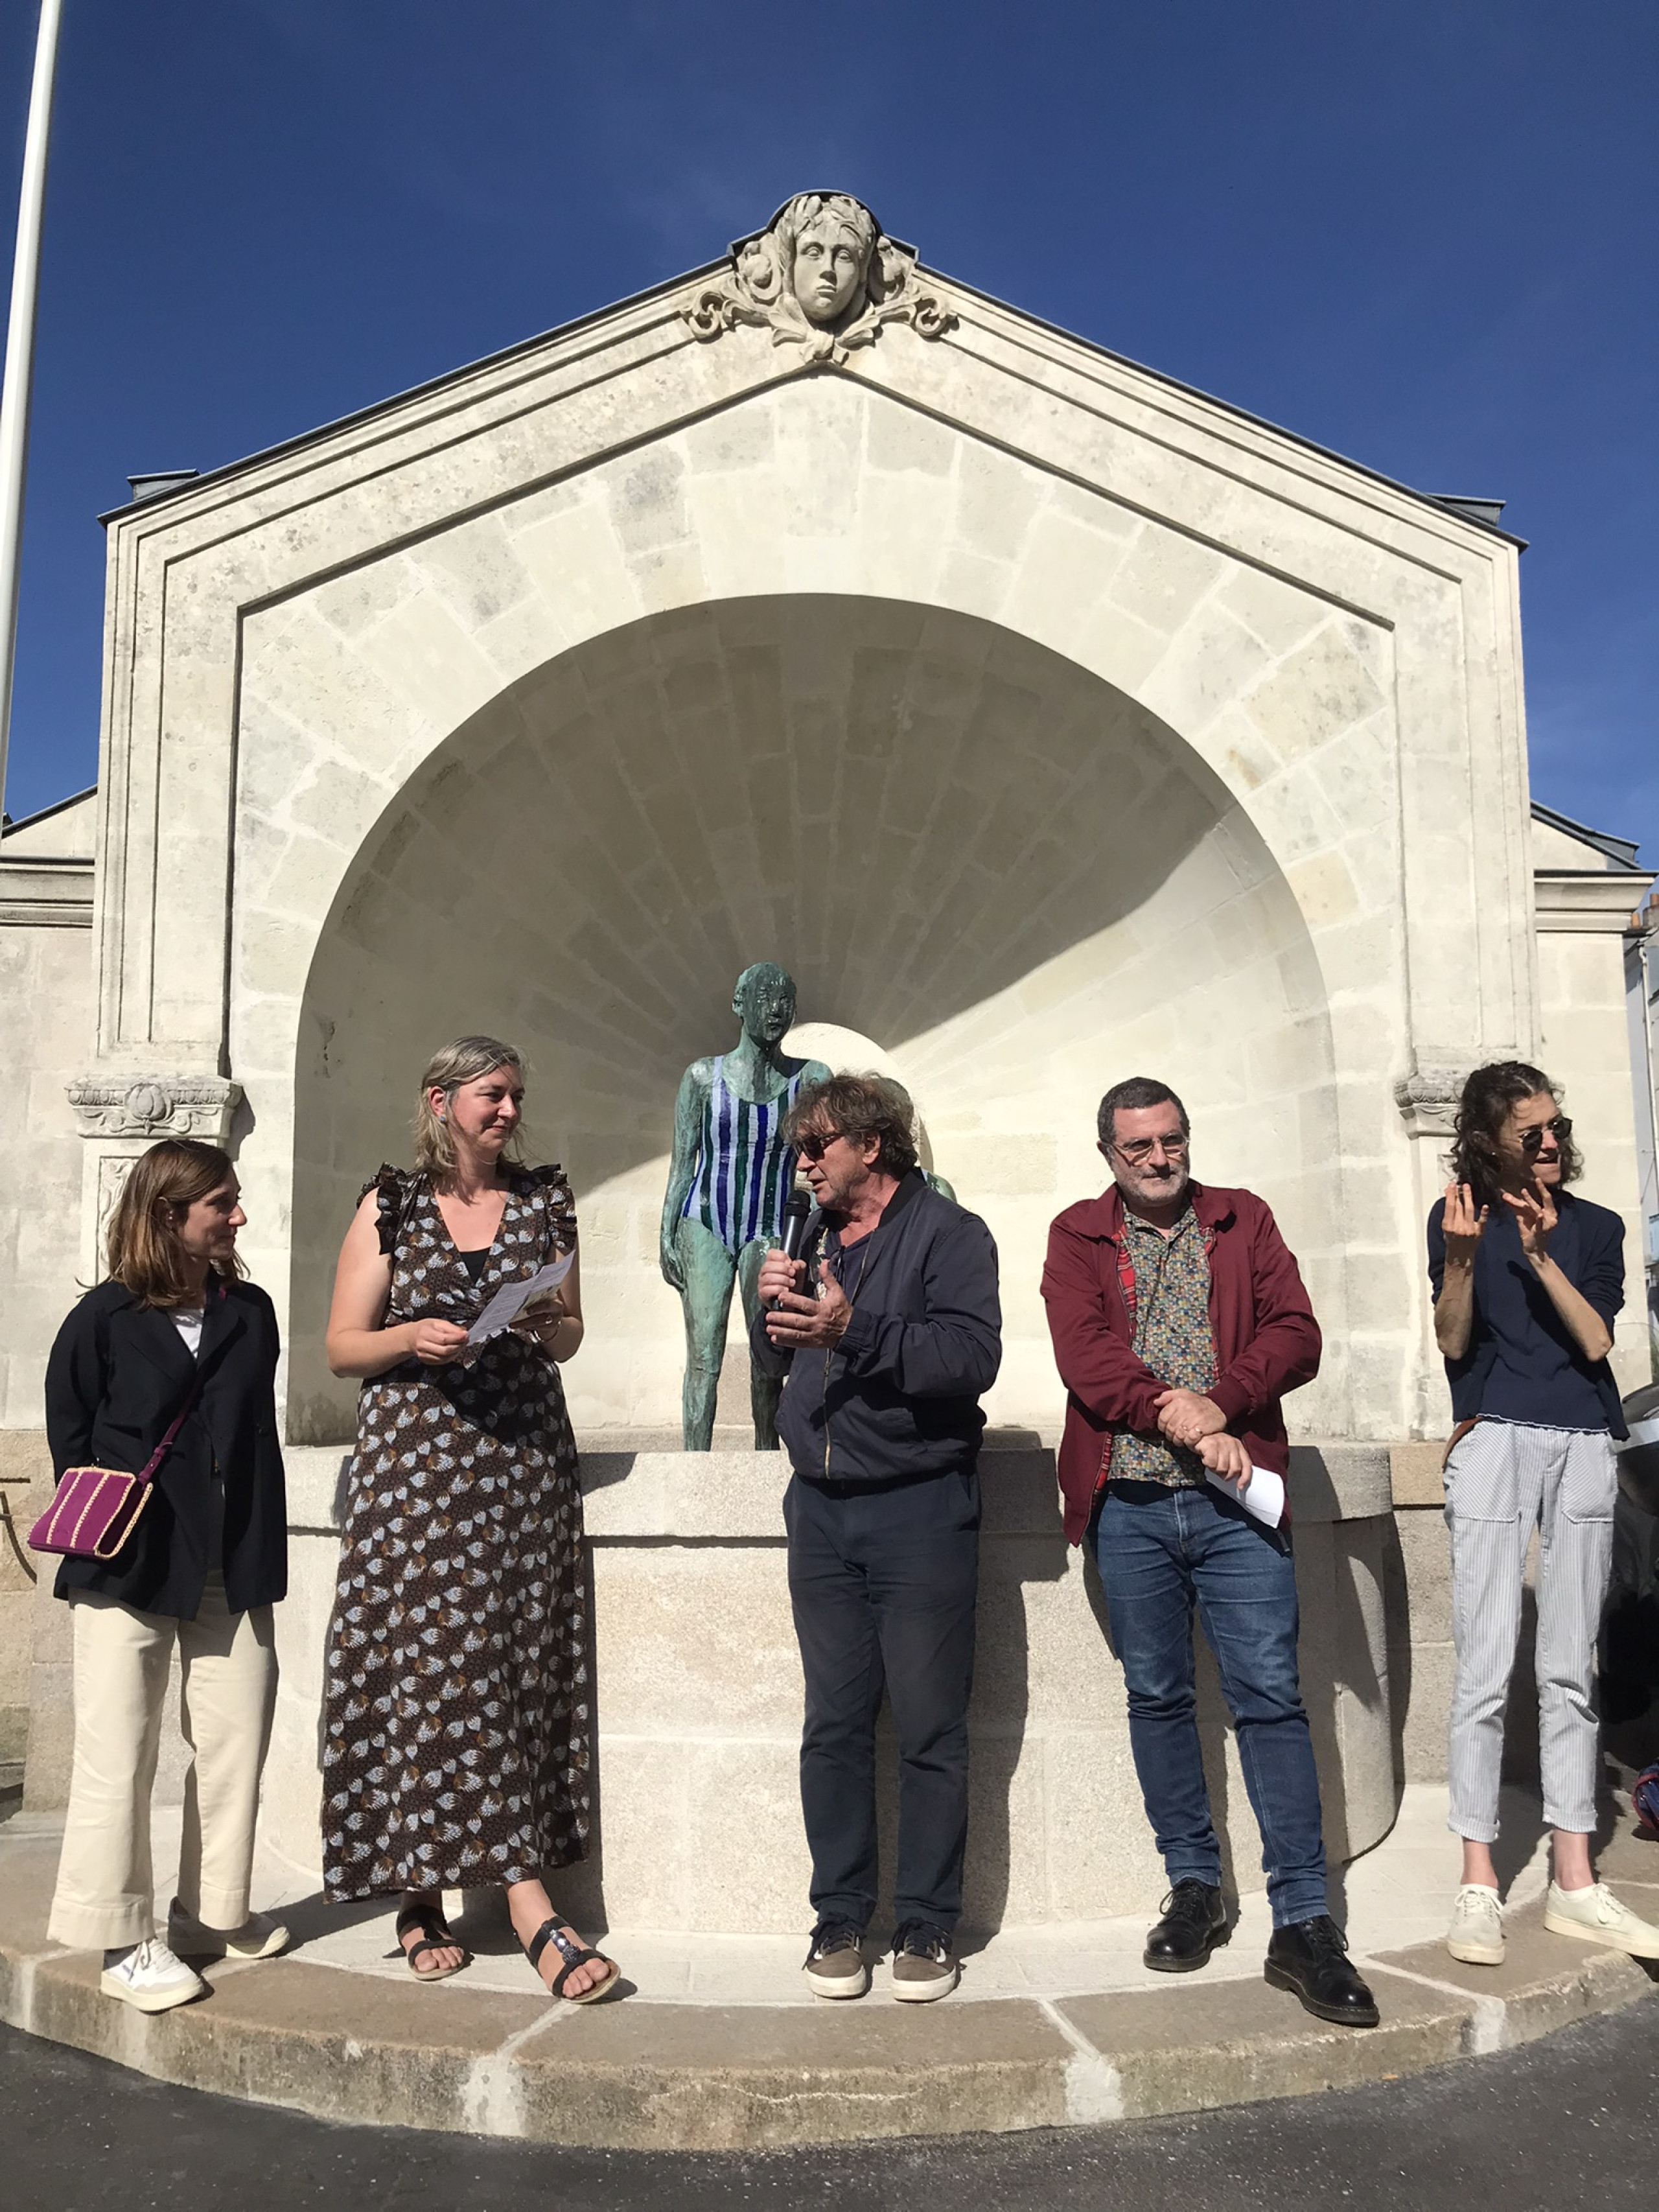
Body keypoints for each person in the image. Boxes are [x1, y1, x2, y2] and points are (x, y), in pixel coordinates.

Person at [1041, 1077, 1378, 2028]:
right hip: (1133, 1503)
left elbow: (1297, 1333)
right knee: (1158, 1696)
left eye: (1171, 1141)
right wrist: (1179, 1417)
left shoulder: (1244, 1219)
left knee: (1271, 1700)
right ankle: (1196, 1886)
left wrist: (1222, 1404)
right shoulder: (1077, 1235)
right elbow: (1086, 1356)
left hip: (1239, 1505)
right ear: (1108, 1152)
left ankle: (1305, 1921)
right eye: (1138, 1145)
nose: (1158, 1158)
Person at [321, 1036, 617, 2003]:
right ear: (442, 1099)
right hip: (420, 1471)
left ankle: (429, 1893)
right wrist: (413, 1334)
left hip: (522, 1466)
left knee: (513, 1665)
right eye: (493, 1095)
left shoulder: (544, 1200)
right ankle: (496, 1903)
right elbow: (340, 1346)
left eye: (516, 1097)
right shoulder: (391, 1203)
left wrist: (543, 1322)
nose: (508, 1111)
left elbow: (570, 1333)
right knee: (431, 1666)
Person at [752, 1074, 1001, 2003]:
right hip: (819, 1507)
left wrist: (856, 1327)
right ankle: (840, 1915)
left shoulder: (950, 1234)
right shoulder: (813, 1236)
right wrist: (771, 1309)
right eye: (799, 1148)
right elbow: (792, 1361)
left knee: (932, 1726)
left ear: (873, 1146)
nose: (803, 1161)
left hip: (918, 1506)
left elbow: (971, 1357)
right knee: (834, 1723)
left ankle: (928, 1924)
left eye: (818, 1145)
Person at [43, 1139, 289, 2014]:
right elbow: (70, 1432)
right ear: (168, 1215)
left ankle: (208, 1911)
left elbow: (252, 1437)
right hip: (129, 1558)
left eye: (233, 1200)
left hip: (233, 1558)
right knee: (120, 1748)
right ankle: (119, 1937)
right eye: (220, 1203)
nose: (238, 1216)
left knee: (234, 1740)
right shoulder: (105, 1318)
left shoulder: (251, 1311)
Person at [1430, 1062, 1658, 1965]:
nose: (1551, 1142)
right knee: (1485, 1670)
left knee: (1569, 1667)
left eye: (1556, 1126)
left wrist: (1536, 1257)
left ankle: (1574, 1881)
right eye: (1531, 1132)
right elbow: (1452, 1340)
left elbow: (1597, 1339)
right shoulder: (1460, 1221)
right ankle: (1478, 1882)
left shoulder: (1596, 1226)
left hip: (1582, 1443)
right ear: (1488, 1141)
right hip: (1492, 1439)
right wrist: (1460, 1260)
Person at [659, 963, 830, 1449]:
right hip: (706, 1221)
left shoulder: (811, 1077)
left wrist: (817, 1235)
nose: (775, 1009)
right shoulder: (701, 1077)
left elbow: (823, 1163)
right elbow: (682, 1164)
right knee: (704, 1357)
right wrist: (666, 1233)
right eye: (763, 997)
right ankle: (694, 1464)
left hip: (771, 1225)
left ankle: (765, 1462)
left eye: (785, 1000)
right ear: (738, 1003)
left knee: (768, 1358)